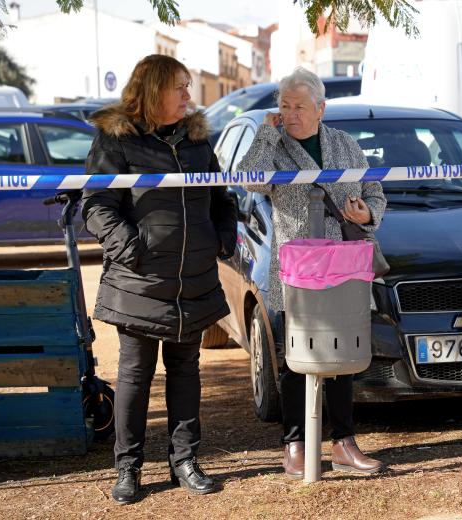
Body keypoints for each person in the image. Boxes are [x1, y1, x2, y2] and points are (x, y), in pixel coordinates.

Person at [82, 54, 238, 503]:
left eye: (189, 85)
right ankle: (128, 468)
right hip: (140, 283)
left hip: (194, 280)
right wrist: (133, 250)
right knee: (135, 375)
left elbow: (221, 198)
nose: (189, 95)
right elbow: (96, 205)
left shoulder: (197, 141)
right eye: (180, 87)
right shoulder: (117, 139)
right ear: (154, 90)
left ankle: (184, 460)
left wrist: (222, 238)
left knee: (186, 372)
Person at [237, 67, 387, 479]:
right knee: (294, 358)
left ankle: (343, 443)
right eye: (284, 105)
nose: (291, 113)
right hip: (298, 268)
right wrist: (265, 134)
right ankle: (296, 444)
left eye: (299, 106)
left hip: (342, 266)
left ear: (321, 108)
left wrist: (367, 213)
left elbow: (375, 192)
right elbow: (250, 179)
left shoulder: (344, 144)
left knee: (341, 353)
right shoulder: (275, 144)